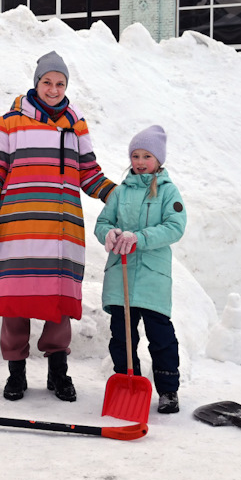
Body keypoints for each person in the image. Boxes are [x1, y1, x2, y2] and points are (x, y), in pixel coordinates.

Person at [0, 51, 115, 402]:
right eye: (47, 82)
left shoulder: (76, 123)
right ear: (36, 83)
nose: (53, 89)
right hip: (17, 228)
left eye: (60, 83)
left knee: (58, 303)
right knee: (15, 303)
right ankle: (16, 374)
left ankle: (58, 374)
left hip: (61, 230)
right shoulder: (11, 122)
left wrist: (117, 195)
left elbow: (89, 173)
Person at [94, 124, 187, 414]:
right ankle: (125, 382)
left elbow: (175, 227)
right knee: (122, 336)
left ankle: (168, 390)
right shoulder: (120, 192)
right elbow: (102, 223)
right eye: (136, 155)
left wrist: (140, 238)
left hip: (152, 277)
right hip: (120, 273)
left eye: (147, 156)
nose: (140, 162)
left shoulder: (168, 191)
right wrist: (108, 235)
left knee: (160, 337)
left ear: (159, 160)